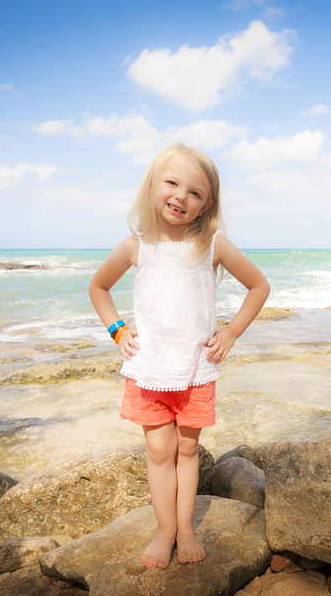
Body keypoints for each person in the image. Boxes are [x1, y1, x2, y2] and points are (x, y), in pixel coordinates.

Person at [89, 144, 270, 569]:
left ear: (206, 204)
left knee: (187, 451)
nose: (180, 196)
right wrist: (117, 330)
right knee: (158, 451)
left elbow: (259, 286)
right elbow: (99, 287)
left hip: (195, 371)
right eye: (172, 183)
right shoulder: (135, 246)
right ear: (154, 184)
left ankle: (186, 528)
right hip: (148, 369)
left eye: (194, 192)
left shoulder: (212, 245)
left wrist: (231, 332)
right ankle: (164, 529)